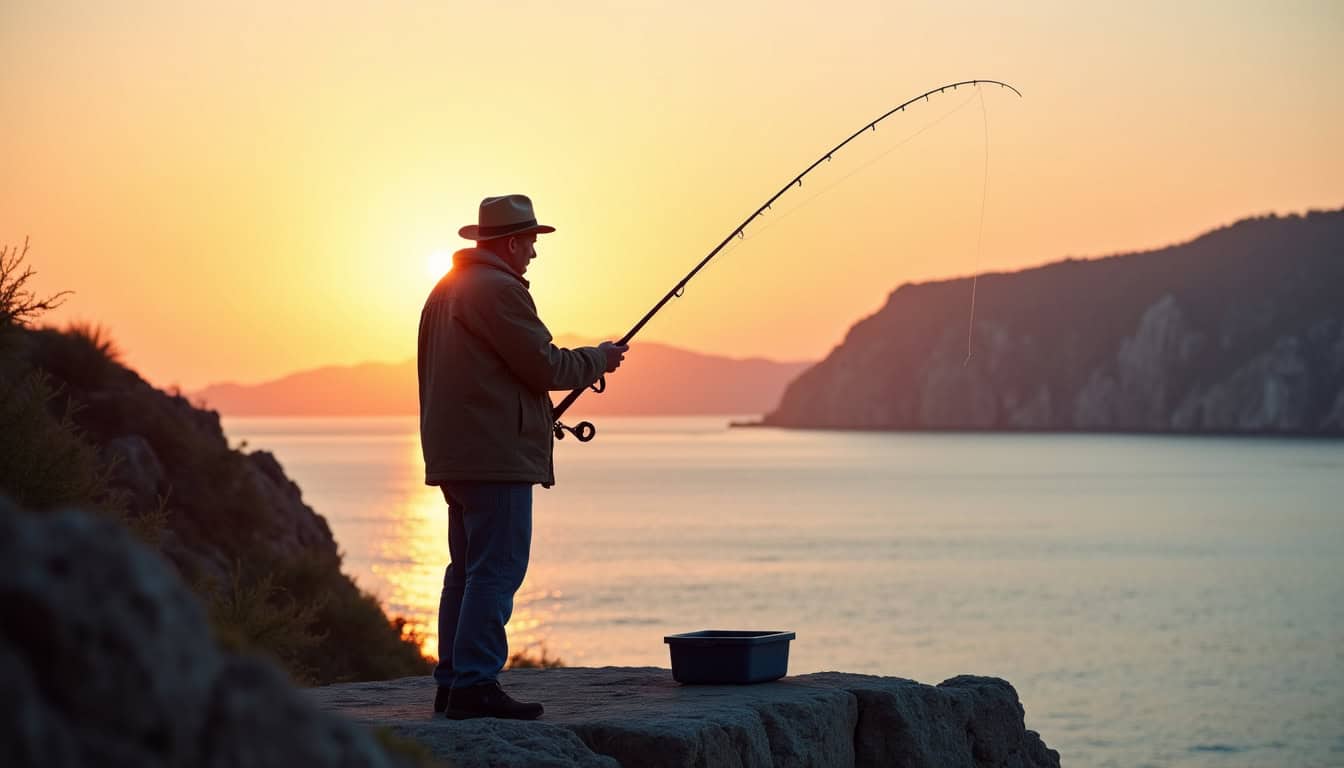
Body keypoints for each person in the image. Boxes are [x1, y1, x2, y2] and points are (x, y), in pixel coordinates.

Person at [418, 194, 627, 720]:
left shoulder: (443, 292)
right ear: (511, 242)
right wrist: (597, 359)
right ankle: (475, 684)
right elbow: (542, 365)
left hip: (455, 455)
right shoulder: (498, 291)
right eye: (531, 241)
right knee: (496, 571)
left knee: (464, 571)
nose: (534, 252)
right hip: (495, 457)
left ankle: (452, 682)